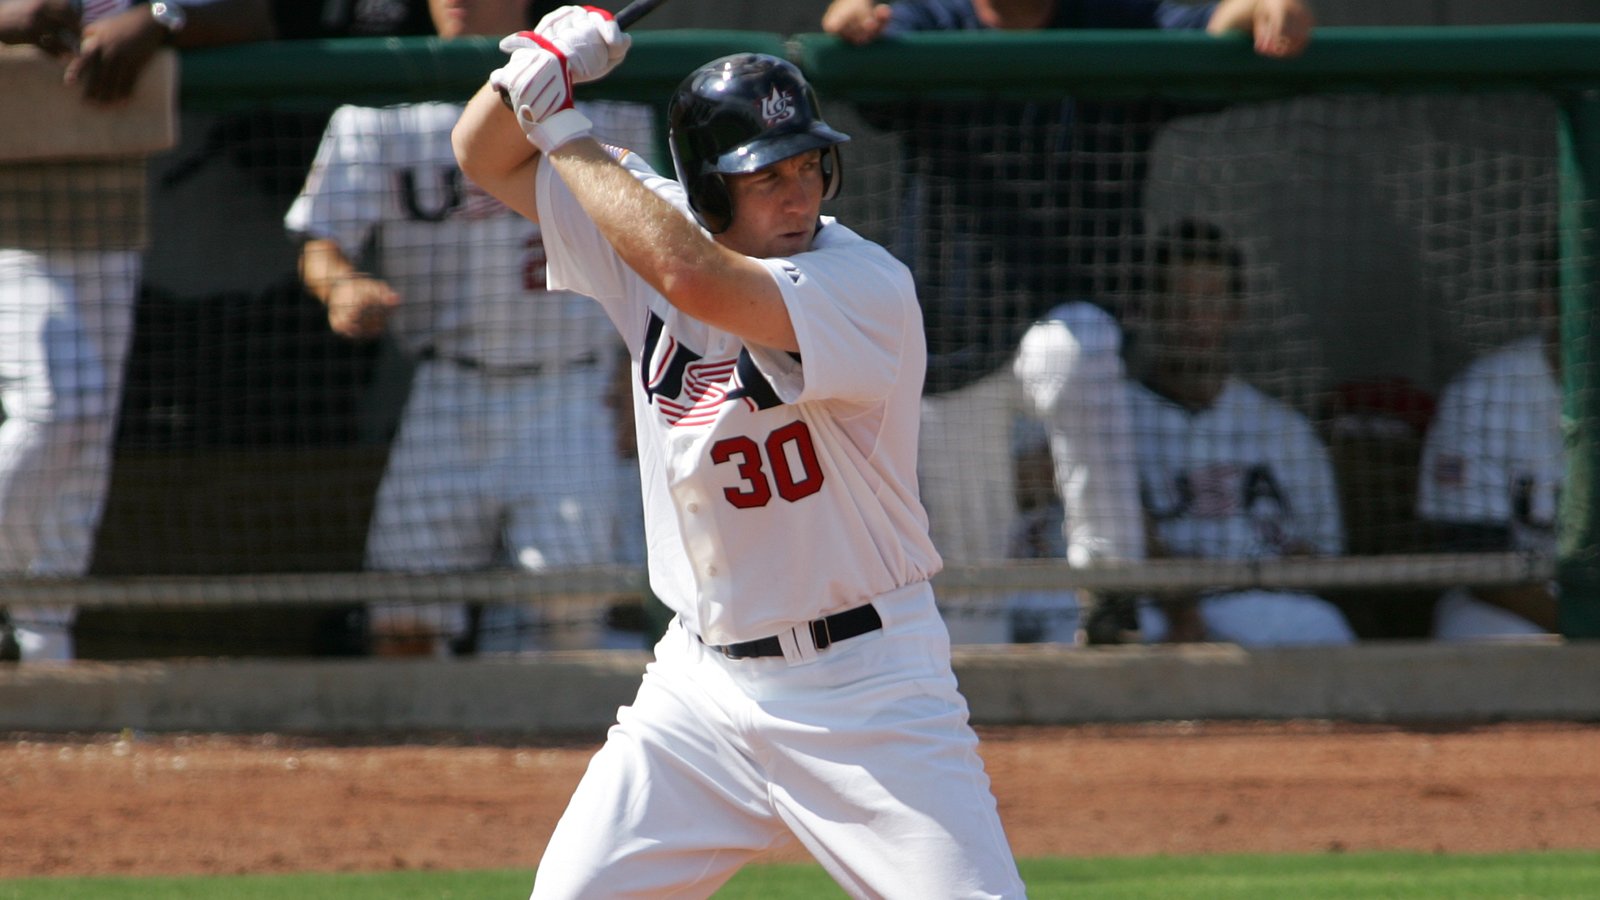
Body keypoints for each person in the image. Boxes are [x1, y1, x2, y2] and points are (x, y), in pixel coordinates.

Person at [452, 11, 1026, 896]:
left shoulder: (864, 283)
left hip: (866, 689)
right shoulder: (644, 222)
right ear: (710, 192)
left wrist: (563, 125)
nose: (797, 196)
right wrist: (534, 67)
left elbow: (695, 280)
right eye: (765, 177)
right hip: (701, 689)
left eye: (807, 166)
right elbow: (481, 154)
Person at [820, 0, 1315, 642]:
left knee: (1076, 347)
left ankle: (1110, 587)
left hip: (1065, 311)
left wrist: (1266, 6)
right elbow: (857, 40)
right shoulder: (932, 20)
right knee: (970, 596)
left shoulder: (1120, 18)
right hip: (950, 334)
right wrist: (849, 20)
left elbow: (1219, 25)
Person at [285, 0, 652, 656]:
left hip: (570, 390)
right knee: (402, 624)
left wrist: (636, 381)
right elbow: (321, 242)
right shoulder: (380, 112)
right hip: (447, 393)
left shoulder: (609, 109)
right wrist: (343, 284)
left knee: (569, 622)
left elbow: (653, 262)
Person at [0, 0, 274, 662]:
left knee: (89, 441)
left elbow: (254, 19)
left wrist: (159, 17)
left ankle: (45, 645)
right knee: (65, 404)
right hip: (9, 214)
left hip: (107, 200)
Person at [1017, 218, 1354, 645]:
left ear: (1235, 312)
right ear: (1151, 310)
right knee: (1080, 626)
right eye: (1179, 303)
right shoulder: (1107, 413)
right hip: (1144, 602)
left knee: (1320, 627)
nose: (1195, 321)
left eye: (1210, 302)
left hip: (1251, 601)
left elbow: (1327, 556)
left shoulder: (1282, 429)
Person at [1414, 240, 1561, 640]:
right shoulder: (1484, 392)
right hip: (1517, 600)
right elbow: (1477, 562)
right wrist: (1580, 625)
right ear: (1548, 301)